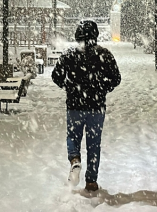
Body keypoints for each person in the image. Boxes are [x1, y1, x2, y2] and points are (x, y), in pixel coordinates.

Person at [51, 20, 121, 192]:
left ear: (78, 35)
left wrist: (69, 87)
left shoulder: (69, 54)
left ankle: (75, 159)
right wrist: (103, 87)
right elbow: (116, 78)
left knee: (73, 136)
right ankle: (91, 181)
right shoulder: (104, 54)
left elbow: (56, 76)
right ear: (95, 35)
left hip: (75, 105)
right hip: (96, 106)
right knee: (94, 143)